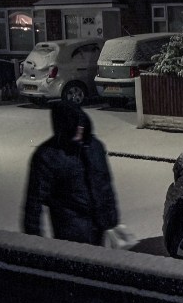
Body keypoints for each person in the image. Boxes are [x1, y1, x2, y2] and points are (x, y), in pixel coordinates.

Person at [23, 101, 119, 245]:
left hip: (98, 228)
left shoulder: (95, 147)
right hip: (69, 232)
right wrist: (34, 240)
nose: (79, 131)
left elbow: (105, 184)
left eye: (81, 126)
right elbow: (34, 200)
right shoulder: (48, 156)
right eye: (74, 127)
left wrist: (111, 219)